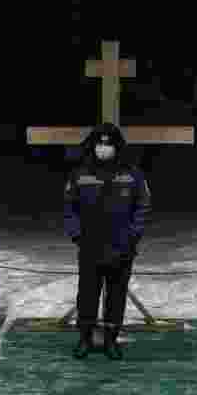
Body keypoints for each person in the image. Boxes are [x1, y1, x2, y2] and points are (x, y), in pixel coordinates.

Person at [63, 122, 151, 360]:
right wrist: (77, 235)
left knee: (116, 295)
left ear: (116, 147)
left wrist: (133, 235)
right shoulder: (79, 174)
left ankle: (111, 340)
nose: (103, 149)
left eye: (108, 145)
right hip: (90, 246)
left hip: (121, 247)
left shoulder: (132, 175)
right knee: (87, 295)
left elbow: (142, 206)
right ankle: (85, 338)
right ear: (92, 146)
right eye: (99, 145)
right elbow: (69, 208)